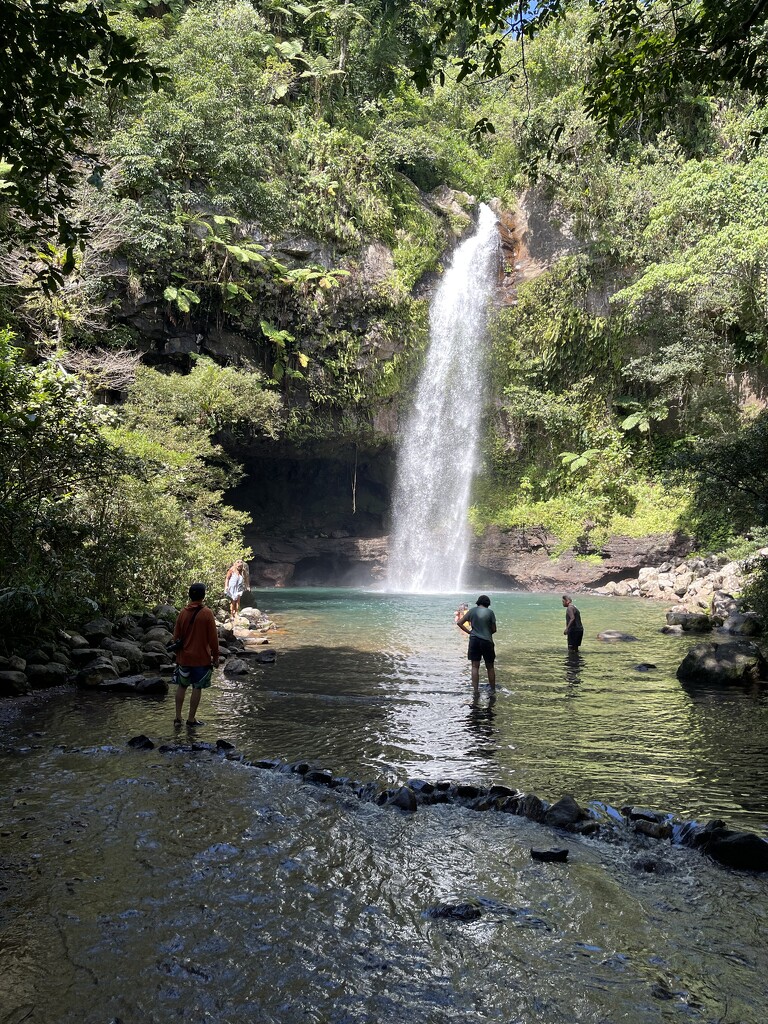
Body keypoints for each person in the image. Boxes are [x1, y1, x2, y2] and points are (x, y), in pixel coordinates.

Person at [172, 582, 220, 728]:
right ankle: (191, 719)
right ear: (203, 596)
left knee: (182, 686)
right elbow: (213, 638)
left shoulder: (183, 612)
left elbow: (176, 637)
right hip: (200, 658)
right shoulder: (207, 613)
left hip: (184, 658)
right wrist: (216, 657)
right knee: (196, 687)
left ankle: (178, 717)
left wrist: (179, 654)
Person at [456, 595, 497, 689]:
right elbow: (494, 629)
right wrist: (486, 632)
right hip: (487, 641)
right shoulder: (490, 612)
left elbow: (459, 623)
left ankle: (475, 690)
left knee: (475, 666)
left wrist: (470, 632)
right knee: (490, 667)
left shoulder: (472, 611)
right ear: (488, 604)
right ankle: (492, 689)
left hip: (474, 640)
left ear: (478, 602)